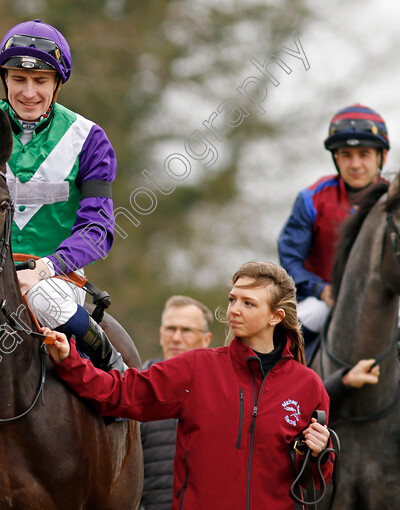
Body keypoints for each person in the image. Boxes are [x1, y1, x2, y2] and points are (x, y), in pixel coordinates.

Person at [45, 261, 333, 510]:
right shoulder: (197, 367)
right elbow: (121, 393)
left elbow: (312, 483)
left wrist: (320, 455)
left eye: (248, 303)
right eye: (233, 299)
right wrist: (71, 361)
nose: (234, 309)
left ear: (276, 317)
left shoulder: (308, 386)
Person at [0, 19, 123, 371]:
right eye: (19, 79)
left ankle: (115, 372)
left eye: (40, 81)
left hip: (56, 277)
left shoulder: (89, 139)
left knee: (47, 301)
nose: (29, 93)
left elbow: (98, 231)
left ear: (57, 84)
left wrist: (47, 268)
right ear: (4, 79)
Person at [278, 104, 390, 351]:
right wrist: (321, 289)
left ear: (382, 156)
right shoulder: (311, 199)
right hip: (324, 301)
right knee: (282, 340)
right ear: (335, 158)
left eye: (364, 154)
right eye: (346, 155)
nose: (355, 164)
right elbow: (290, 260)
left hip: (384, 300)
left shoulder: (395, 203)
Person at [138, 296, 213, 510]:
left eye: (186, 330)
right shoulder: (133, 391)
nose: (176, 338)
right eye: (170, 328)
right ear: (161, 334)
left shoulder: (224, 393)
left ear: (206, 339)